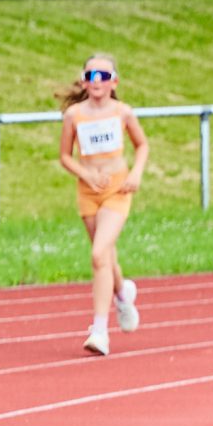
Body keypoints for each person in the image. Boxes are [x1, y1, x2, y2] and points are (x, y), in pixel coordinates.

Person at [56, 56, 149, 355]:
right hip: (88, 192)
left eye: (104, 74)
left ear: (114, 82)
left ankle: (99, 331)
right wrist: (86, 174)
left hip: (117, 189)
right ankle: (122, 294)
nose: (97, 80)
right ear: (83, 80)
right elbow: (65, 156)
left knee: (98, 254)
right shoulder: (74, 115)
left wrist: (135, 173)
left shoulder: (123, 112)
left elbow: (142, 145)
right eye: (91, 74)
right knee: (105, 255)